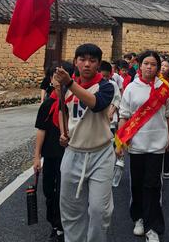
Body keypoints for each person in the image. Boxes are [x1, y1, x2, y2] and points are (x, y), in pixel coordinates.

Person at [54, 44, 116, 242]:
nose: (87, 64)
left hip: (101, 154)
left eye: (92, 60)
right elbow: (62, 110)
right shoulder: (65, 87)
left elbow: (96, 104)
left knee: (99, 210)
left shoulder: (107, 86)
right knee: (71, 209)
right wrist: (63, 133)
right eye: (82, 59)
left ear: (98, 64)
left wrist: (70, 83)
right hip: (73, 153)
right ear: (75, 62)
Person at [117, 51, 169, 242]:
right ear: (139, 65)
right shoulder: (131, 88)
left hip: (157, 144)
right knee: (137, 184)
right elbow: (124, 116)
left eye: (153, 64)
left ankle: (153, 227)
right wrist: (120, 142)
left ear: (158, 67)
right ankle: (139, 218)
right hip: (136, 144)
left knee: (153, 186)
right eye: (146, 63)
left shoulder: (164, 88)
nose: (149, 67)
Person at [34, 62, 74, 242]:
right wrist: (36, 157)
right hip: (50, 155)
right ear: (51, 80)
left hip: (68, 155)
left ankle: (60, 226)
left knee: (63, 193)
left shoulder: (73, 104)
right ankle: (54, 221)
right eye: (54, 78)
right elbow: (41, 130)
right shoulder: (47, 104)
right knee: (49, 191)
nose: (57, 82)